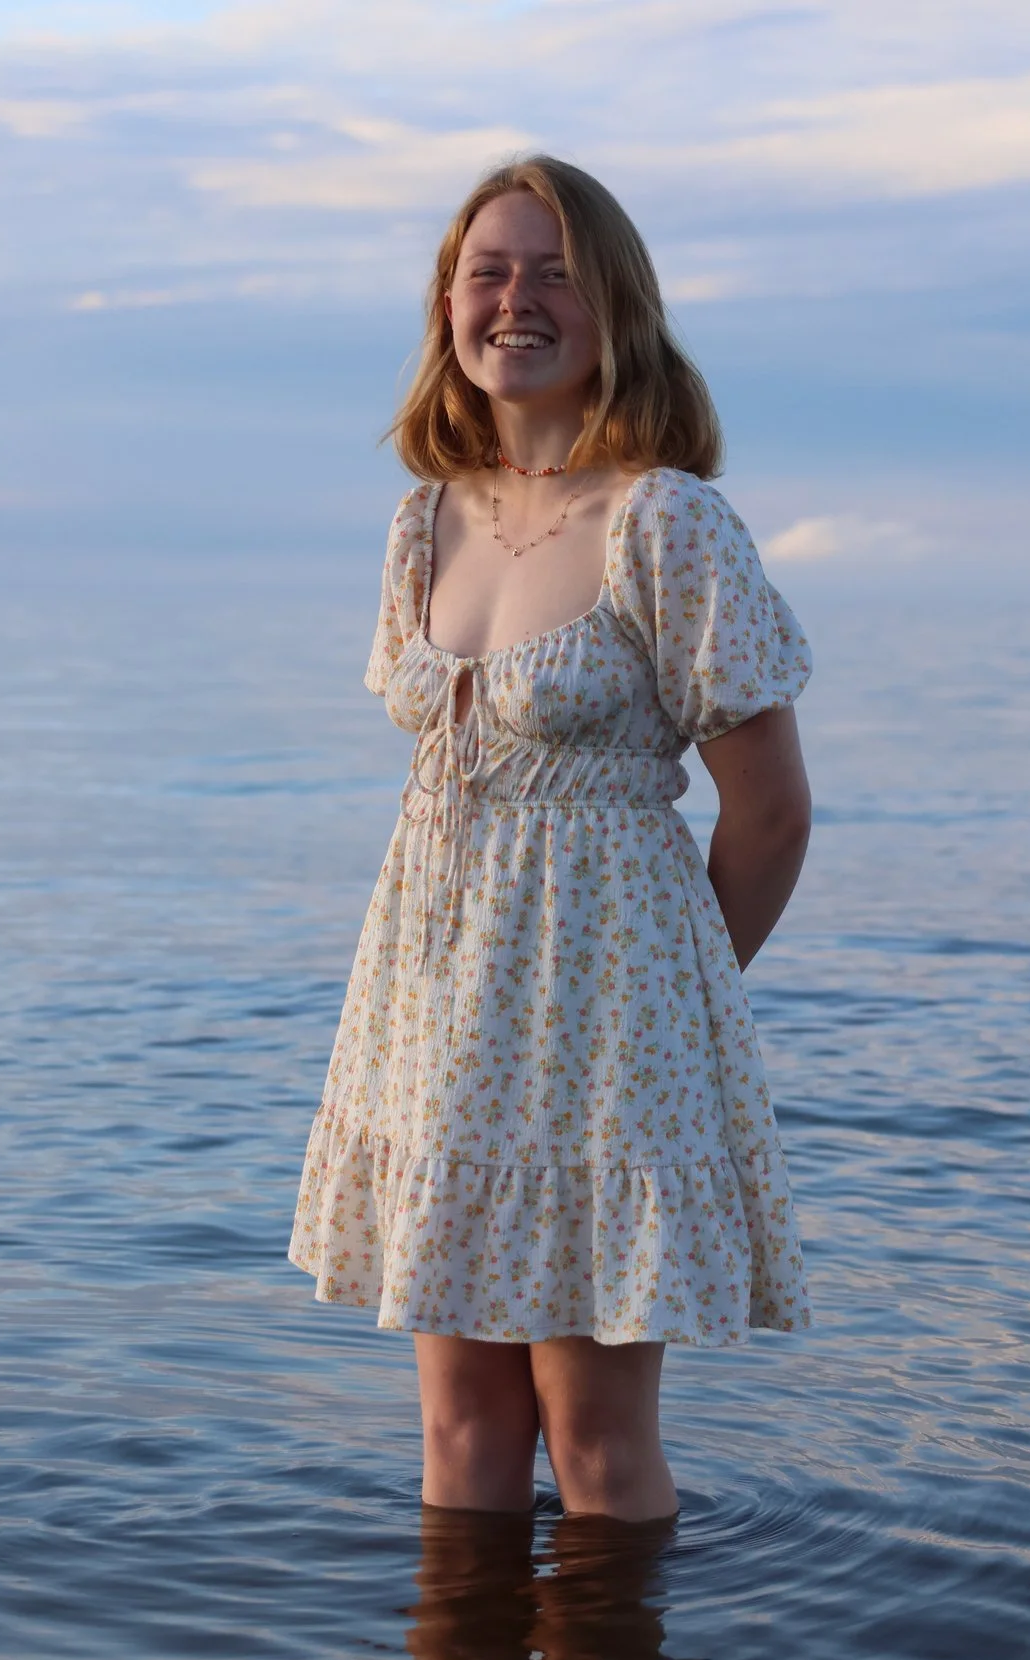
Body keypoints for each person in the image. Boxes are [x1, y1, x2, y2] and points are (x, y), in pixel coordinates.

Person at [289, 155, 814, 1525]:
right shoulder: (424, 523)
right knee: (461, 1433)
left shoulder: (668, 521)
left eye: (554, 271)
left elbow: (770, 811)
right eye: (488, 271)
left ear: (614, 308)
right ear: (447, 307)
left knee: (595, 1444)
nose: (515, 299)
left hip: (602, 1039)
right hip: (435, 1025)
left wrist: (671, 1008)